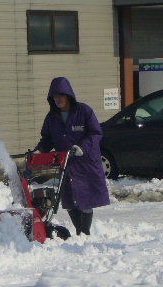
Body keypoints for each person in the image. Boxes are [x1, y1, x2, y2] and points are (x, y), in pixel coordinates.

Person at [34, 77, 110, 235]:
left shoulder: (84, 111)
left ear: (68, 96)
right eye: (55, 97)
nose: (58, 99)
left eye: (61, 96)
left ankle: (85, 232)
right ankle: (78, 231)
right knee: (69, 200)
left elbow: (96, 133)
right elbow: (47, 139)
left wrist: (82, 147)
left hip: (85, 162)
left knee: (85, 199)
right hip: (65, 162)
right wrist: (40, 150)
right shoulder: (52, 117)